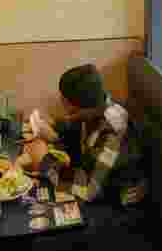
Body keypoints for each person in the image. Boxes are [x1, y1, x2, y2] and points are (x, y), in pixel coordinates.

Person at [23, 63, 147, 206]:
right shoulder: (98, 106)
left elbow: (89, 190)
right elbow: (79, 127)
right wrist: (55, 130)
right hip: (99, 187)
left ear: (76, 108)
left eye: (66, 102)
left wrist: (44, 161)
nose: (64, 106)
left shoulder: (114, 131)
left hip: (116, 207)